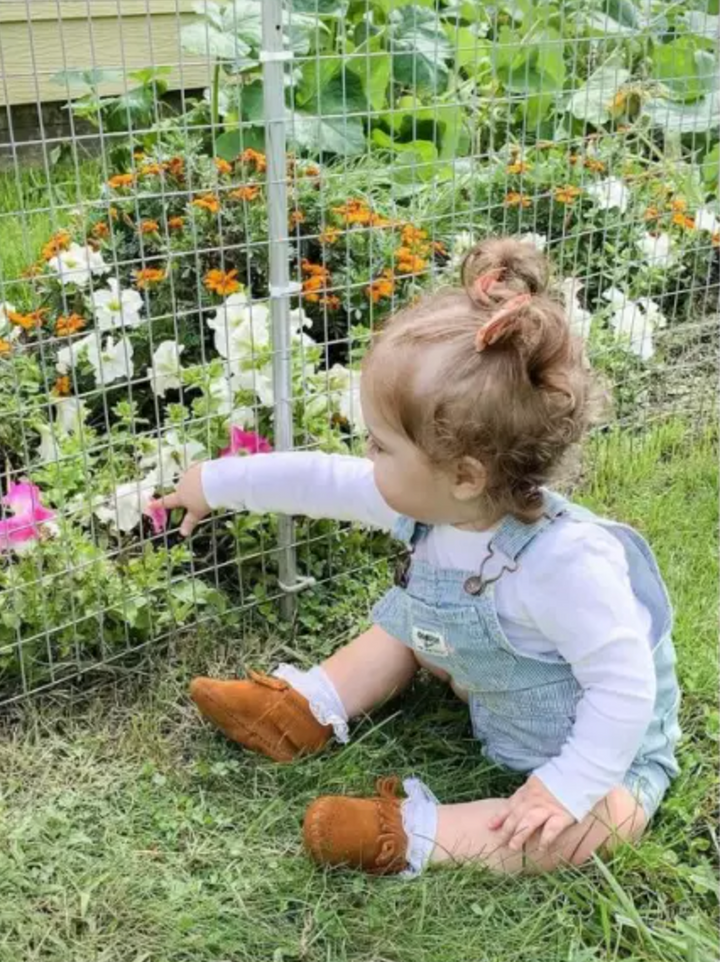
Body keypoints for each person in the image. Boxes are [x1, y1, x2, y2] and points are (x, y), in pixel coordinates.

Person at [150, 238, 680, 877]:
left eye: (380, 446)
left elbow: (623, 689)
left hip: (600, 754)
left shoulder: (566, 564)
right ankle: (308, 706)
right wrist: (214, 484)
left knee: (599, 823)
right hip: (493, 686)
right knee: (409, 623)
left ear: (464, 475)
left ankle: (413, 835)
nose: (366, 460)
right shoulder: (429, 501)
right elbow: (321, 480)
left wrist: (567, 783)